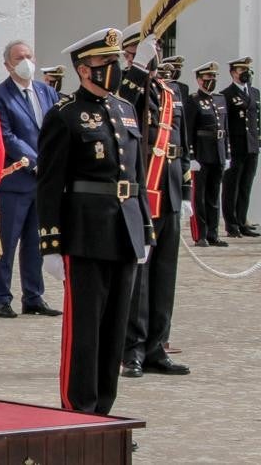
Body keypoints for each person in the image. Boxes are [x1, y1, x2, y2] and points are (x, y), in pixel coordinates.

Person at [38, 27, 152, 416]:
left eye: (116, 63)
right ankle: (79, 411)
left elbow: (136, 173)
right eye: (106, 63)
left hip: (125, 230)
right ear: (84, 70)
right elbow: (50, 184)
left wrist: (146, 228)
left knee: (115, 330)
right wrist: (51, 244)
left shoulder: (126, 110)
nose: (114, 70)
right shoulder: (65, 115)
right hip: (86, 234)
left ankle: (104, 412)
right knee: (84, 332)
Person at [117, 24, 191, 379]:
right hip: (141, 194)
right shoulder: (123, 88)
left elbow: (183, 146)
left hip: (170, 190)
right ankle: (132, 349)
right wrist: (133, 72)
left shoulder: (171, 93)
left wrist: (187, 193)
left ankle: (157, 346)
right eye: (145, 52)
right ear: (129, 55)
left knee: (164, 276)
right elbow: (122, 111)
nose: (154, 57)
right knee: (139, 278)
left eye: (155, 51)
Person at [0, 40, 61, 318]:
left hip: (43, 183)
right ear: (8, 64)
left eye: (29, 56)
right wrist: (36, 161)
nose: (26, 62)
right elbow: (7, 136)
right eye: (20, 57)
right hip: (16, 180)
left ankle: (34, 296)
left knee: (36, 242)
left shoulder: (47, 92)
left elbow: (56, 128)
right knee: (6, 244)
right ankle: (1, 298)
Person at [186, 62, 231, 247]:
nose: (211, 81)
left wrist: (227, 153)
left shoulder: (220, 99)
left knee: (213, 196)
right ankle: (200, 235)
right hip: (201, 154)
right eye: (207, 79)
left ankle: (213, 233)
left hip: (218, 152)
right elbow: (188, 130)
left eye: (213, 78)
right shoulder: (193, 100)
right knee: (200, 197)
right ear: (199, 80)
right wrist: (191, 156)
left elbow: (225, 128)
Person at [221, 56, 260, 238]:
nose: (246, 73)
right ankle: (232, 224)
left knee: (246, 185)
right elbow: (224, 124)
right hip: (235, 147)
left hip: (251, 146)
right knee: (232, 186)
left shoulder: (254, 93)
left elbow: (256, 120)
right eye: (241, 70)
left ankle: (242, 220)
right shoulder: (226, 95)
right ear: (233, 73)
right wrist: (226, 148)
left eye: (247, 70)